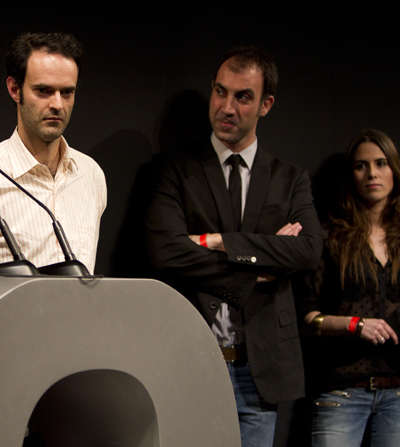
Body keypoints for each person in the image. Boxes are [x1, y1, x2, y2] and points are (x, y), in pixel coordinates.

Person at [145, 46, 323, 447]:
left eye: (243, 97)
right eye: (220, 92)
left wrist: (220, 242)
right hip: (193, 361)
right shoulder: (173, 169)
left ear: (265, 105)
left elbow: (309, 250)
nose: (227, 107)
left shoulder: (290, 179)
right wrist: (256, 268)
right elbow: (167, 252)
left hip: (260, 370)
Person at [297, 129, 400, 447]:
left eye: (380, 163)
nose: (371, 173)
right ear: (352, 175)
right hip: (344, 391)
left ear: (394, 171)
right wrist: (355, 325)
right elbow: (306, 317)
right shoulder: (330, 238)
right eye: (361, 165)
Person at [0, 32, 106, 274]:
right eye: (43, 90)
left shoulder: (91, 174)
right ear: (14, 89)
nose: (57, 104)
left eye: (67, 92)